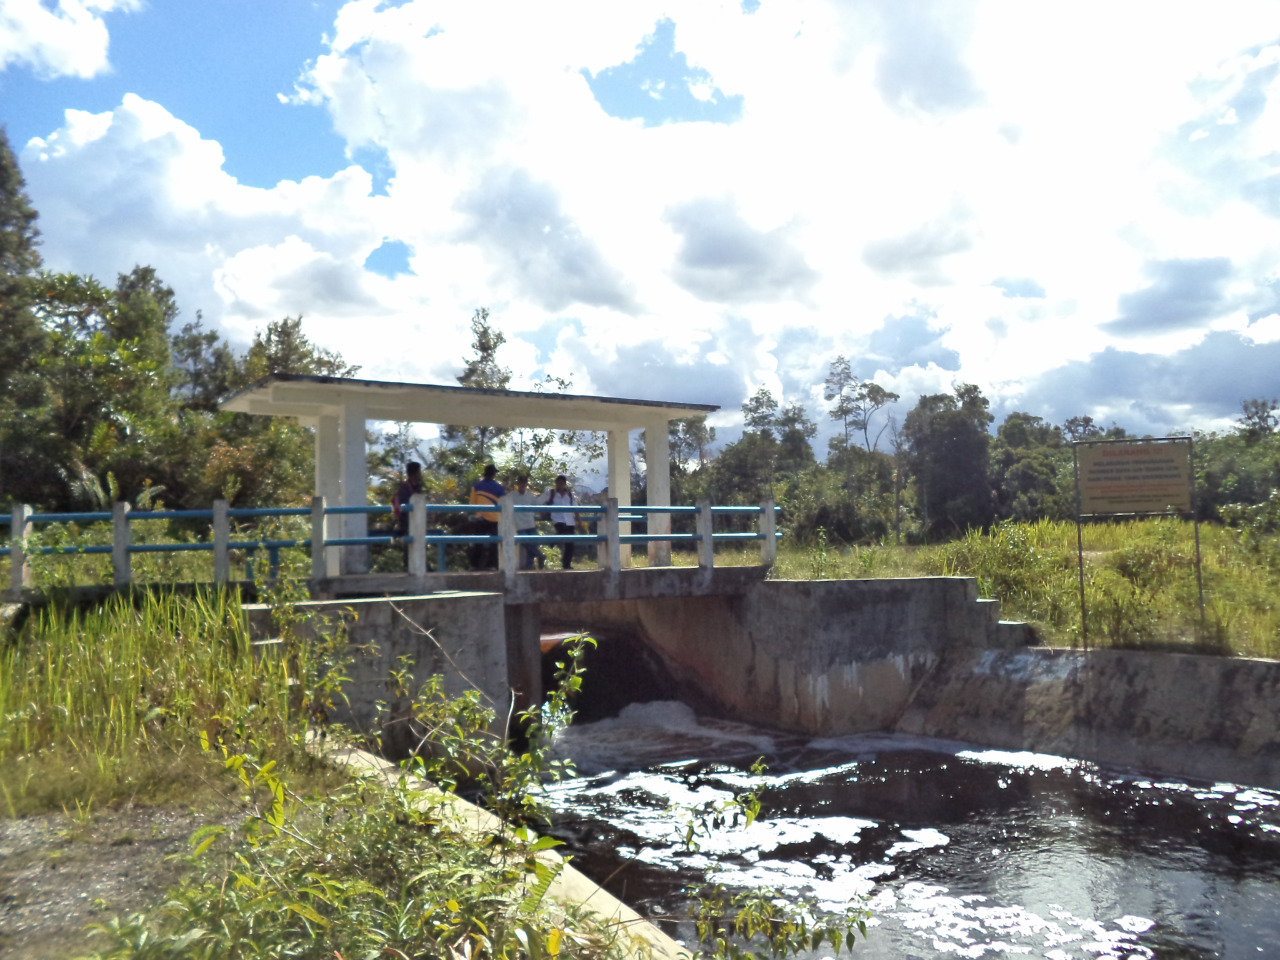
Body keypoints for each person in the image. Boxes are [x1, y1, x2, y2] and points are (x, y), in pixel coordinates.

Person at [468, 464, 505, 569]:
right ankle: (494, 566)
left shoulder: (476, 487)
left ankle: (475, 566)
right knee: (495, 544)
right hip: (495, 519)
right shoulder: (500, 488)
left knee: (478, 543)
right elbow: (504, 504)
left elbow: (472, 504)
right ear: (493, 474)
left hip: (480, 519)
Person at [538, 474, 578, 570]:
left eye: (561, 483)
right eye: (557, 483)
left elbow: (576, 508)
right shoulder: (551, 493)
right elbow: (538, 501)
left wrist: (579, 521)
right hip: (557, 519)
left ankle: (566, 565)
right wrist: (542, 512)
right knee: (562, 534)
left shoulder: (570, 495)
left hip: (569, 520)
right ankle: (549, 545)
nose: (559, 485)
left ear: (564, 484)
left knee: (570, 544)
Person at [392, 461, 423, 569]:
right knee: (410, 544)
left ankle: (420, 565)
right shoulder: (404, 488)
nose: (420, 475)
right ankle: (408, 567)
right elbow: (403, 508)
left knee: (418, 543)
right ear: (414, 473)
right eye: (419, 472)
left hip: (417, 522)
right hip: (406, 523)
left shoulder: (417, 487)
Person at [508, 473, 543, 570]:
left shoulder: (531, 496)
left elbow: (538, 507)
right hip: (519, 525)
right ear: (518, 484)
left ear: (526, 484)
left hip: (530, 523)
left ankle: (529, 565)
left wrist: (543, 514)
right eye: (521, 483)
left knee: (532, 543)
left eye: (524, 483)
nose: (522, 485)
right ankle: (539, 555)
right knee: (526, 541)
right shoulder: (512, 496)